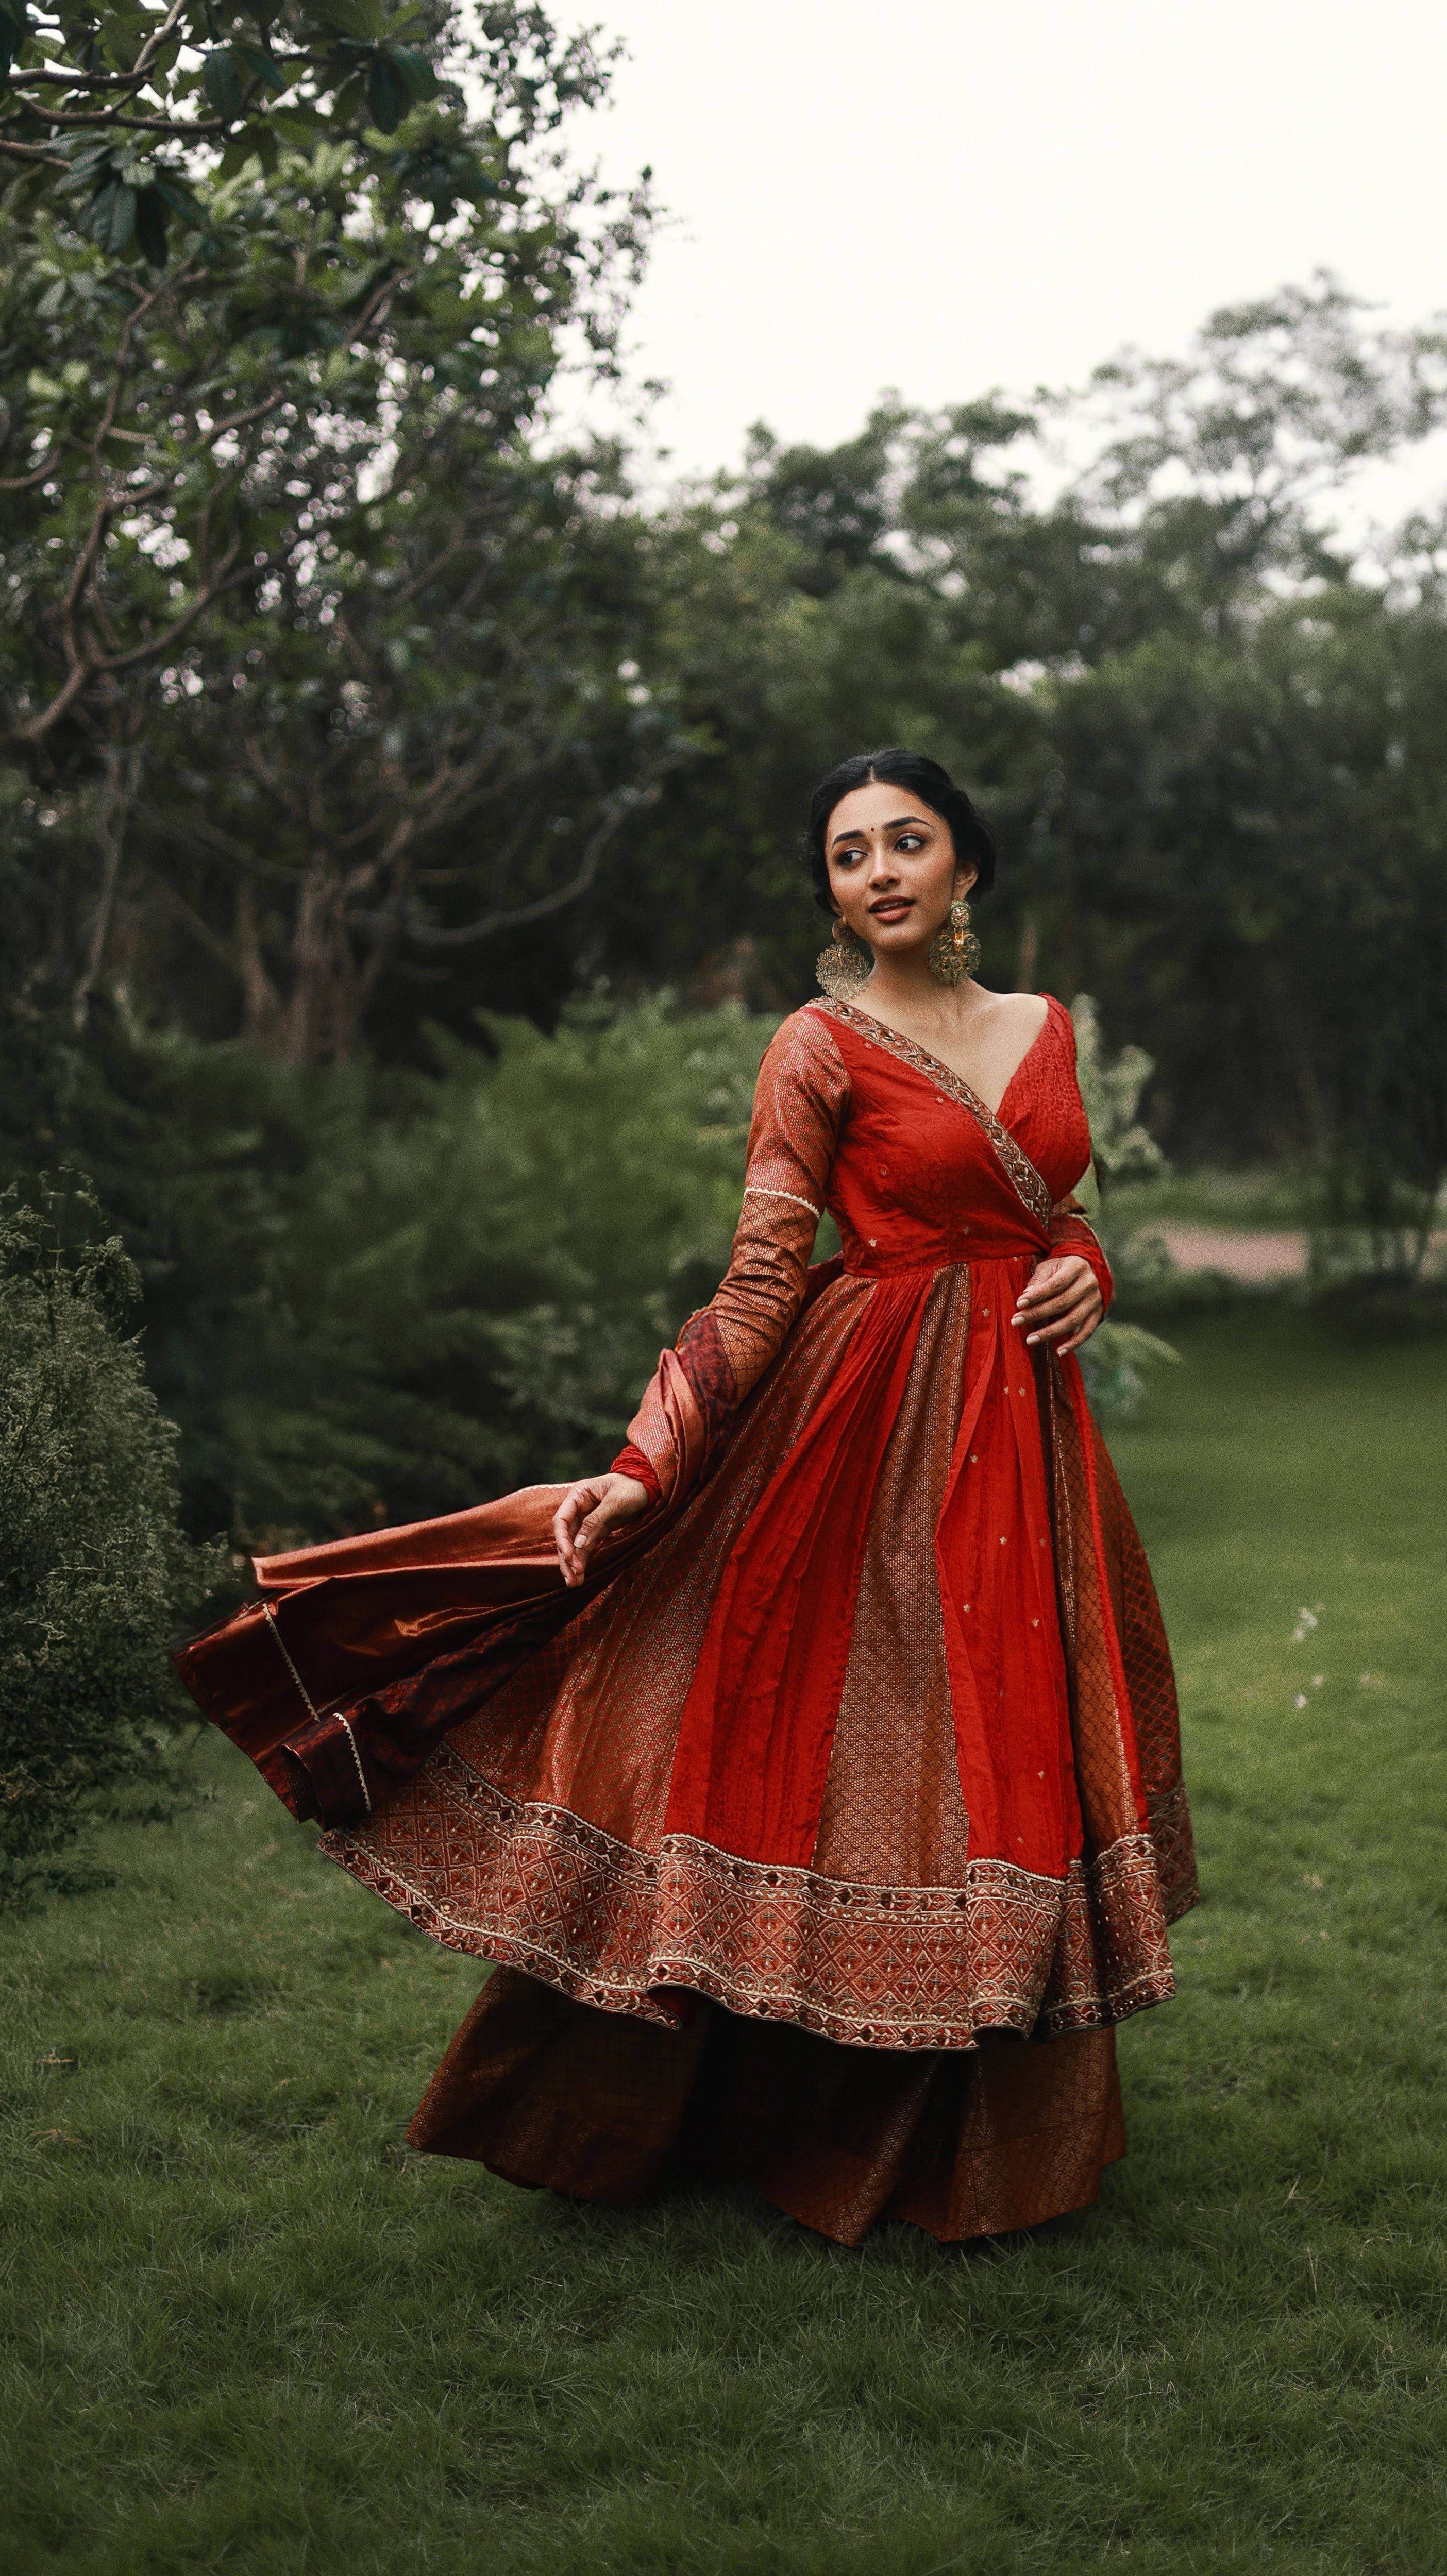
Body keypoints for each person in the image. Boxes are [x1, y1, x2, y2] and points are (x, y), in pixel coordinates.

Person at [177, 748, 1196, 2245]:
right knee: (850, 1752)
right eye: (849, 857)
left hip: (1022, 1444)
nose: (880, 874)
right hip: (865, 1429)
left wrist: (1084, 1268)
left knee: (1011, 1747)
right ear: (834, 891)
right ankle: (772, 2104)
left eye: (908, 842)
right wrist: (651, 1459)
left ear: (968, 866)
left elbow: (1054, 1208)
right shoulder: (818, 1045)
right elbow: (765, 1273)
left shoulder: (1041, 1029)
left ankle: (982, 2124)